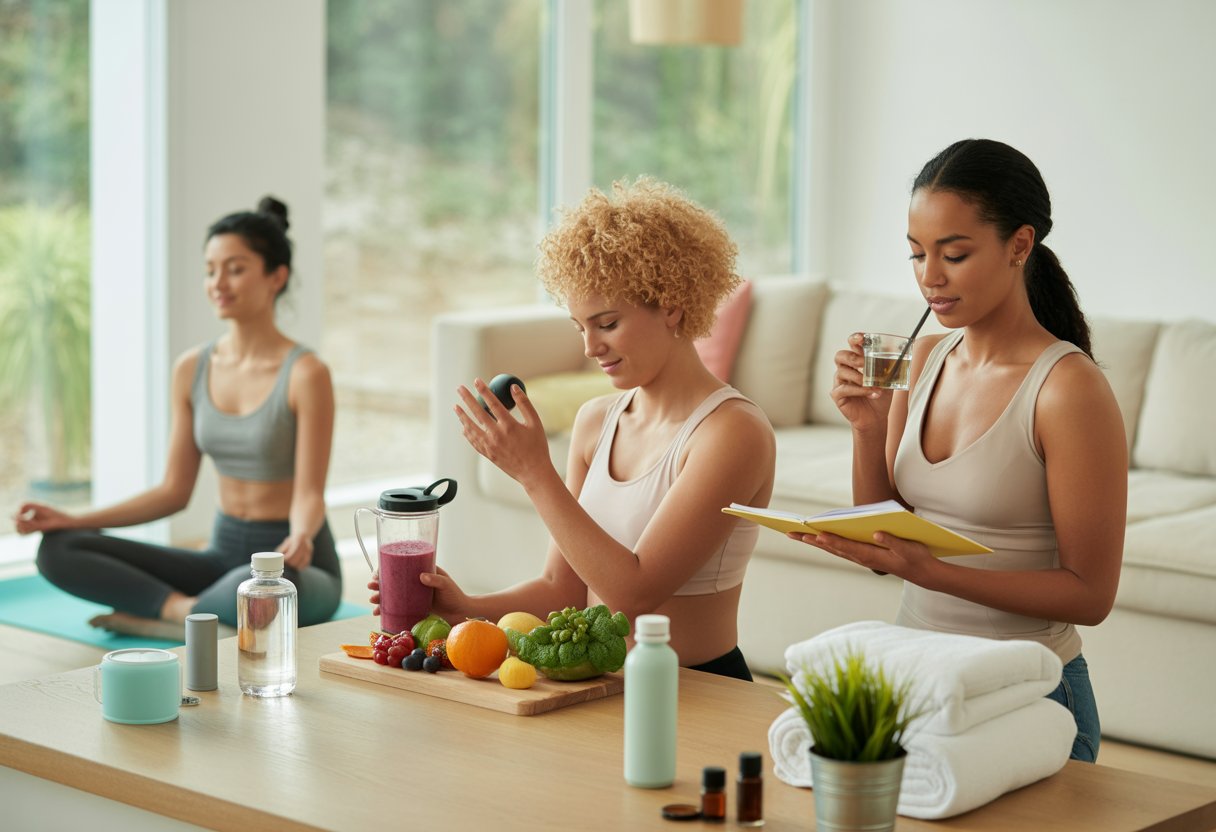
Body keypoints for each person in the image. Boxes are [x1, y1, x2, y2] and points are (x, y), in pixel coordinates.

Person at [792, 139, 1126, 761]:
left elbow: (1091, 595)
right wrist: (866, 428)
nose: (929, 278)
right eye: (917, 255)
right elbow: (883, 542)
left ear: (1019, 246)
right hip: (916, 675)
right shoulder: (924, 357)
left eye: (954, 254)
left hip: (1028, 692)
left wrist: (930, 572)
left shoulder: (1068, 388)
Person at [371, 178, 776, 680]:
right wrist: (463, 607)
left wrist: (534, 473)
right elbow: (562, 590)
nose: (590, 348)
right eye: (579, 327)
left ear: (671, 303)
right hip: (597, 689)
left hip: (699, 687)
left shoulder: (732, 432)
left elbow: (634, 593)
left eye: (606, 324)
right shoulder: (595, 422)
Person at [13, 197, 341, 638]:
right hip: (220, 558)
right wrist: (72, 519)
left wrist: (301, 534)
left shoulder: (306, 373)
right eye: (210, 269)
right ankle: (183, 613)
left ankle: (178, 617)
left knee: (270, 589)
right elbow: (174, 491)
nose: (218, 283)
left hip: (294, 563)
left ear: (276, 277)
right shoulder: (192, 368)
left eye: (236, 268)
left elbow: (309, 492)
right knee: (58, 550)